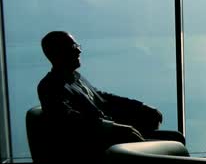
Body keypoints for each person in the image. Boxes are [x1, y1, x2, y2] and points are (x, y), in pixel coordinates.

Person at [37, 31, 185, 152]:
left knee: (175, 137)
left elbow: (103, 98)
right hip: (101, 144)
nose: (79, 50)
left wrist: (141, 106)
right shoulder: (50, 86)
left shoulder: (74, 77)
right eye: (73, 46)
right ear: (58, 53)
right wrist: (114, 128)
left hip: (112, 133)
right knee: (175, 143)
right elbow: (69, 122)